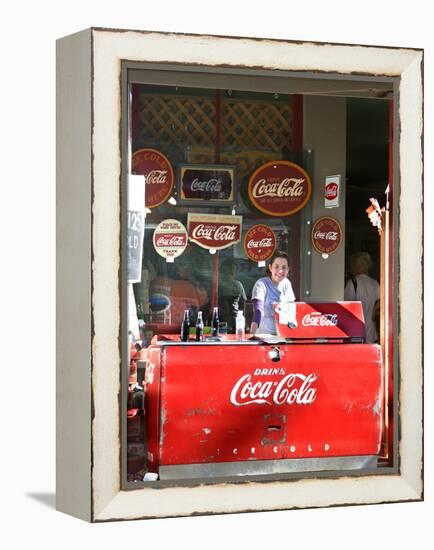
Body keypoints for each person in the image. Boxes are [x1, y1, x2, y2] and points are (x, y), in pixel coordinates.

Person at [250, 251, 295, 336]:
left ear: (288, 270)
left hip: (283, 336)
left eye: (284, 267)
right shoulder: (261, 284)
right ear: (270, 268)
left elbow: (292, 311)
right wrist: (251, 336)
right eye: (276, 266)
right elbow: (258, 311)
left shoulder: (287, 284)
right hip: (264, 337)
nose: (280, 271)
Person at [344, 251, 380, 343]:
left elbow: (346, 308)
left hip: (356, 333)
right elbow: (378, 306)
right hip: (372, 334)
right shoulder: (375, 284)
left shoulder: (352, 283)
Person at [218, 258, 247, 332]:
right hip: (220, 319)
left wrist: (242, 320)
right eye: (229, 269)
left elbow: (243, 304)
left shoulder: (238, 285)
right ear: (223, 271)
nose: (231, 271)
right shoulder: (217, 285)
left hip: (235, 320)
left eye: (233, 269)